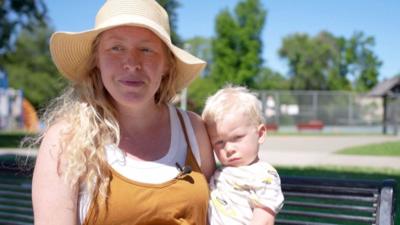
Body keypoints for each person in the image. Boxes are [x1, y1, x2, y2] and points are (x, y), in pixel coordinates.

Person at [31, 0, 215, 224]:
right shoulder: (65, 141)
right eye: (116, 48)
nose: (131, 63)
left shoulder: (193, 131)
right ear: (96, 59)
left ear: (167, 63)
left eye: (146, 49)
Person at [202, 86, 284, 225]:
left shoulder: (264, 175)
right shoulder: (220, 172)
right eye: (219, 142)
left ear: (260, 134)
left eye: (237, 138)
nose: (229, 149)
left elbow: (265, 220)